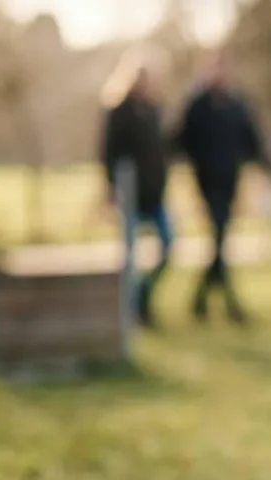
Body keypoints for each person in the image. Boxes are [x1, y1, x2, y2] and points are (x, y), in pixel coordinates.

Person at [172, 50, 271, 326]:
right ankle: (229, 305)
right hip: (207, 184)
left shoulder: (237, 105)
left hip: (230, 182)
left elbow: (253, 141)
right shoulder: (197, 106)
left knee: (219, 242)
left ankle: (201, 301)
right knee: (219, 237)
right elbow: (179, 141)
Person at [100, 46, 175, 329]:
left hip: (155, 194)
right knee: (129, 254)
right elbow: (108, 152)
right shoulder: (118, 112)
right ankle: (130, 309)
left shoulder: (155, 111)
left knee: (168, 245)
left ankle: (142, 296)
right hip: (130, 194)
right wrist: (109, 187)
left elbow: (164, 149)